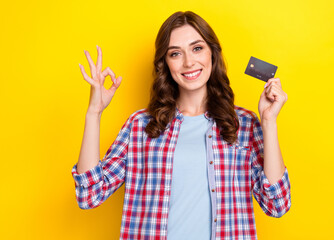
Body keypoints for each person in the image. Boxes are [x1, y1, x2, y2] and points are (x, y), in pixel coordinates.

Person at [71, 11, 291, 240]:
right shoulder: (140, 127)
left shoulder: (243, 125)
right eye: (175, 53)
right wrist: (94, 113)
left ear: (212, 54)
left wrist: (268, 122)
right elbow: (89, 195)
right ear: (165, 64)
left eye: (197, 48)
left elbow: (277, 204)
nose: (188, 62)